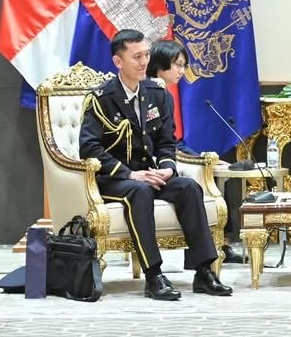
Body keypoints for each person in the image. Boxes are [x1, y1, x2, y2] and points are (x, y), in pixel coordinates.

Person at [79, 29, 233, 301]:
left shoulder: (157, 94)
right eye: (136, 57)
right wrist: (131, 174)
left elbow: (166, 142)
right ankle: (154, 276)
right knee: (140, 191)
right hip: (115, 179)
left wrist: (168, 168)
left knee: (188, 187)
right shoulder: (101, 98)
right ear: (118, 61)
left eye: (146, 55)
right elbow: (89, 148)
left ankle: (203, 271)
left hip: (150, 174)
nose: (144, 62)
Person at [146, 38, 245, 266]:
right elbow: (157, 141)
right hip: (148, 166)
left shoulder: (164, 94)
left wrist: (201, 160)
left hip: (165, 160)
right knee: (198, 181)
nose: (181, 71)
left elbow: (170, 141)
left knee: (206, 177)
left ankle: (215, 250)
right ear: (160, 64)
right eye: (177, 65)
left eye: (183, 65)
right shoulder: (149, 93)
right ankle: (215, 249)